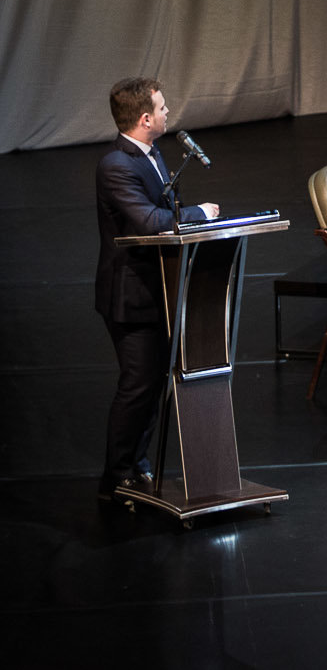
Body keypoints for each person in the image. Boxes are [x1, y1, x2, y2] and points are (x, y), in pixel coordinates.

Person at [94, 78, 220, 501]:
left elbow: (166, 213)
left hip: (159, 291)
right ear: (146, 119)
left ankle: (138, 466)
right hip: (130, 298)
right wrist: (200, 213)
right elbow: (149, 222)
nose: (168, 113)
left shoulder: (152, 154)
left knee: (153, 385)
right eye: (163, 108)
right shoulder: (116, 165)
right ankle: (116, 478)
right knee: (138, 386)